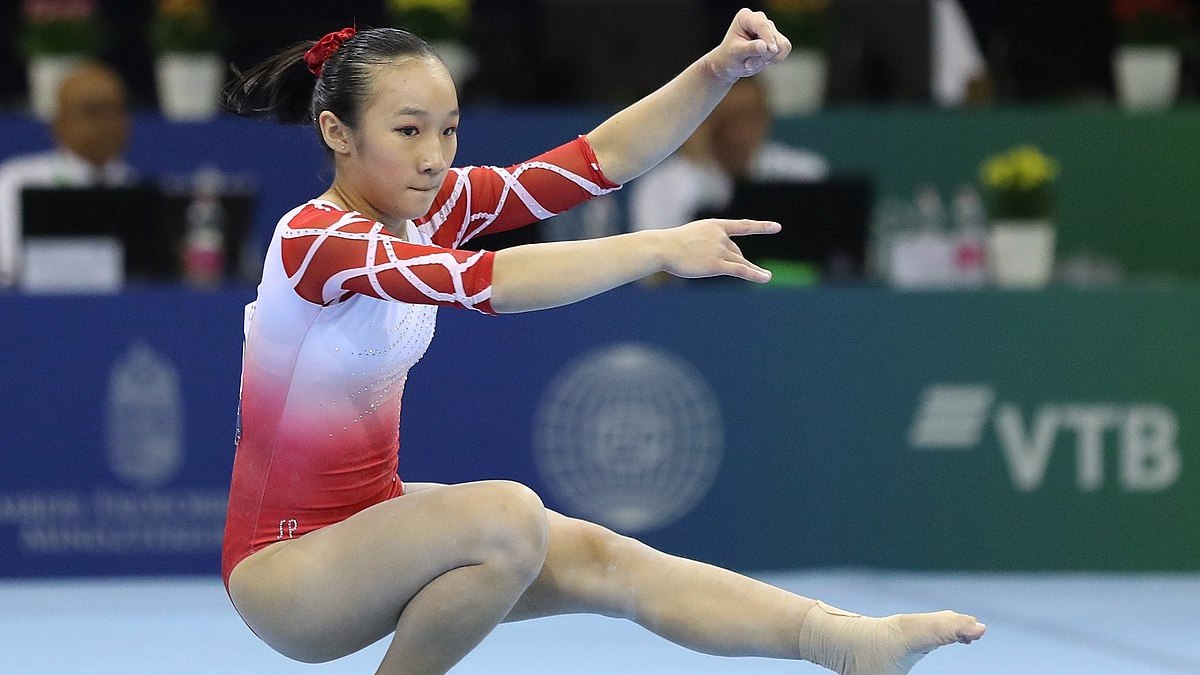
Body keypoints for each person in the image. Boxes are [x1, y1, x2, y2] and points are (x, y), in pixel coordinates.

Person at [220, 10, 986, 675]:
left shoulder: (431, 206)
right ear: (337, 133)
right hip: (287, 570)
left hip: (372, 525)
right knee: (508, 517)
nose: (434, 156)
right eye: (408, 131)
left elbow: (596, 164)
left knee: (608, 561)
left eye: (448, 130)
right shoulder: (317, 238)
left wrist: (717, 72)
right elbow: (491, 283)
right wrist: (653, 249)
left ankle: (846, 642)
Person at [628, 75, 828, 234]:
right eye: (728, 118)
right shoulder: (662, 185)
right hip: (703, 286)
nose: (740, 131)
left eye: (750, 115)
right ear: (706, 119)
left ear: (766, 117)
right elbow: (654, 277)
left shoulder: (805, 173)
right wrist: (701, 167)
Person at [0, 61, 135, 287]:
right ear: (59, 123)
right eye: (93, 112)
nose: (108, 124)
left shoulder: (135, 189)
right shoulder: (15, 183)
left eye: (116, 111)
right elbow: (7, 271)